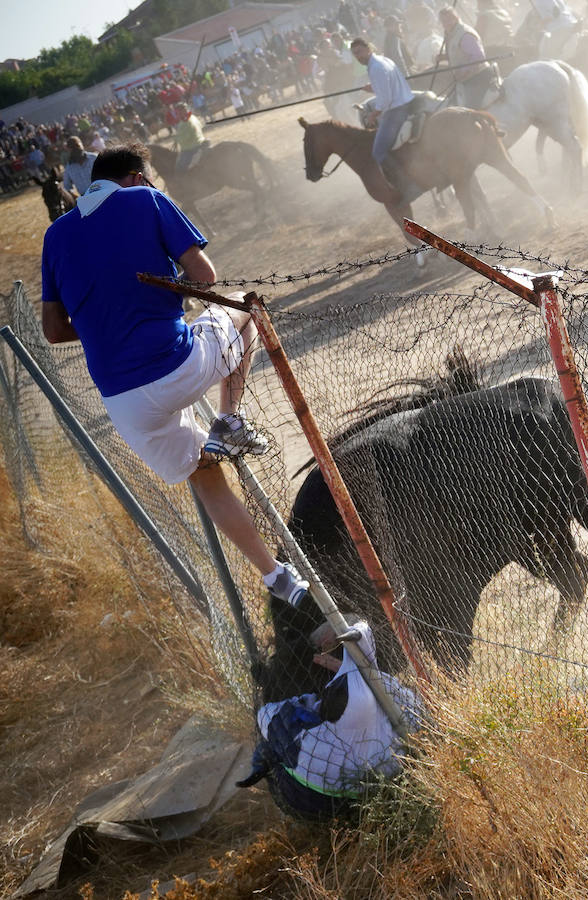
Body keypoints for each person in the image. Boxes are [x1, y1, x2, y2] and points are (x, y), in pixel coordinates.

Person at [41, 142, 309, 610]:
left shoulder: (55, 235)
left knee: (205, 478)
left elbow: (52, 329)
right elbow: (204, 276)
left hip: (123, 401)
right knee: (246, 304)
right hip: (176, 364)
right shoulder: (146, 198)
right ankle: (229, 420)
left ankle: (275, 577)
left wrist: (108, 320)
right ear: (138, 177)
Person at [238, 619, 423, 820]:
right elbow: (363, 636)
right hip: (366, 784)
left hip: (313, 796)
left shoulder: (320, 734)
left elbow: (269, 717)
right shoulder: (387, 704)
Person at [349, 37, 421, 203]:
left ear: (368, 49)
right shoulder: (383, 60)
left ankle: (409, 186)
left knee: (378, 152)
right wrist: (373, 88)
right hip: (404, 102)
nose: (358, 56)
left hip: (395, 110)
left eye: (359, 52)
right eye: (355, 54)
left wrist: (374, 114)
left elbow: (385, 99)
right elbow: (388, 87)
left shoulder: (376, 68)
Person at [438, 6, 496, 109]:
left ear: (456, 18)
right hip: (464, 78)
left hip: (477, 77)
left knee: (470, 109)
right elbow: (460, 52)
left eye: (449, 20)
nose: (446, 23)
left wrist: (463, 71)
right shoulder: (451, 33)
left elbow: (478, 56)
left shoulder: (465, 34)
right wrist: (444, 57)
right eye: (443, 21)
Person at [174, 104, 208, 171]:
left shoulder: (186, 121)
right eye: (177, 112)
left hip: (191, 147)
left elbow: (187, 137)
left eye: (179, 112)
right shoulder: (193, 117)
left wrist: (177, 139)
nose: (178, 114)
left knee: (179, 168)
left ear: (183, 111)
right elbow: (201, 126)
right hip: (200, 142)